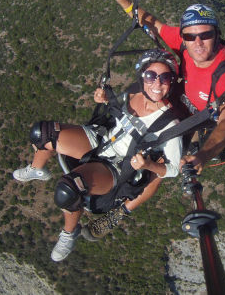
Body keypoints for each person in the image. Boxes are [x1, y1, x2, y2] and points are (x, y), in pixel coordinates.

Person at [12, 50, 183, 262]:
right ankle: (37, 169)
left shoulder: (169, 124)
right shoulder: (132, 94)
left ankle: (68, 233)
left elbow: (174, 169)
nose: (157, 83)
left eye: (165, 78)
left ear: (171, 82)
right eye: (151, 76)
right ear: (142, 77)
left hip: (116, 165)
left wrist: (148, 164)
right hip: (101, 141)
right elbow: (114, 111)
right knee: (42, 133)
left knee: (69, 190)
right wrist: (102, 99)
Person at [101, 0, 225, 173]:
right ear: (183, 37)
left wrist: (202, 156)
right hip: (177, 102)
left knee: (161, 158)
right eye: (189, 36)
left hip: (198, 118)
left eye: (205, 35)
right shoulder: (183, 44)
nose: (197, 42)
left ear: (217, 35)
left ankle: (128, 201)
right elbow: (152, 23)